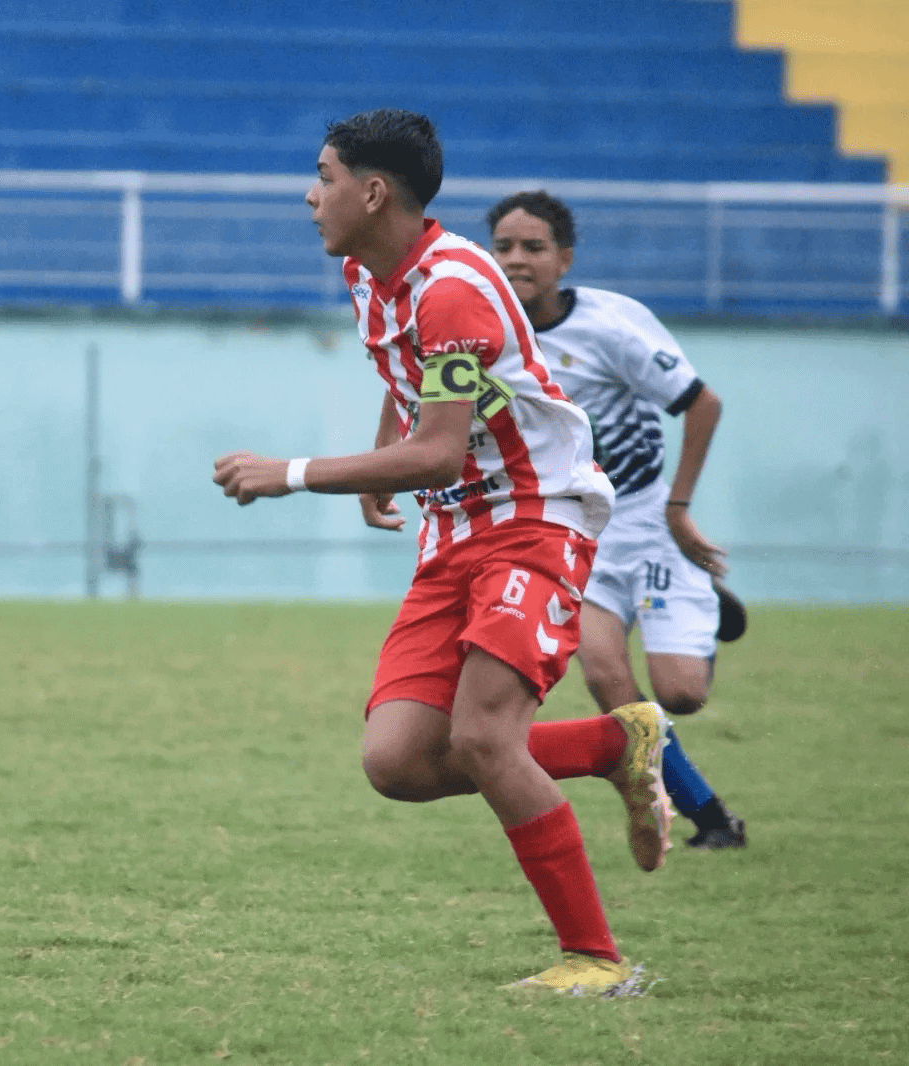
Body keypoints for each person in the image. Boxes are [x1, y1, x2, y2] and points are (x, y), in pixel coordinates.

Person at [212, 109, 671, 995]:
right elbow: (411, 388)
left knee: (485, 737)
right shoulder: (366, 271)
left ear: (373, 191)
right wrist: (386, 449)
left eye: (324, 176)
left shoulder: (453, 288)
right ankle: (616, 745)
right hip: (455, 533)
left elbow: (442, 450)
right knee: (398, 761)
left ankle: (597, 961)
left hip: (535, 521)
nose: (311, 196)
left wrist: (295, 473)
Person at [488, 191, 748, 851]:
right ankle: (710, 818)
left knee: (680, 693)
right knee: (606, 677)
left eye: (533, 248)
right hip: (578, 530)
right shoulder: (486, 332)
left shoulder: (608, 328)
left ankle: (703, 610)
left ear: (563, 259)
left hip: (647, 519)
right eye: (504, 247)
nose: (517, 259)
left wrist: (679, 509)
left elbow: (703, 404)